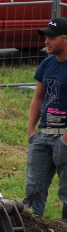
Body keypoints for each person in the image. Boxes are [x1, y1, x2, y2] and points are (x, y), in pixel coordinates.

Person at [23, 17, 67, 219]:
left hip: (64, 138)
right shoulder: (47, 63)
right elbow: (38, 97)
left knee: (66, 193)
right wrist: (31, 131)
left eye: (52, 38)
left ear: (65, 39)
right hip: (42, 136)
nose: (46, 42)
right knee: (32, 190)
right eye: (46, 37)